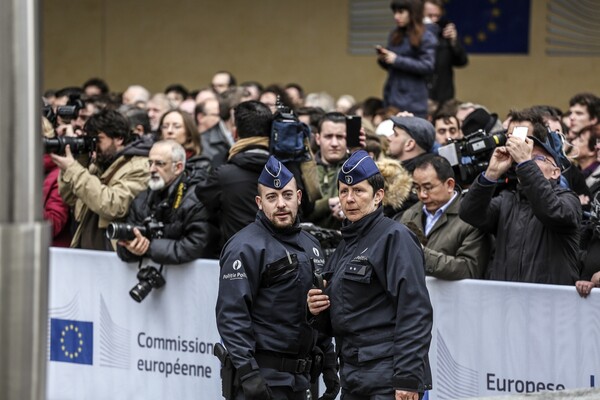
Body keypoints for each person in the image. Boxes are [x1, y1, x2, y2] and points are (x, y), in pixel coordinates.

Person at [308, 150, 433, 400]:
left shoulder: (395, 237)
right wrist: (316, 309)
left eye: (358, 191)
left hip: (388, 374)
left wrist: (408, 378)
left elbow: (414, 311)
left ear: (378, 197)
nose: (350, 199)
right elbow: (341, 315)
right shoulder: (346, 244)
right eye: (344, 191)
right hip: (353, 373)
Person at [216, 156, 338, 400]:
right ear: (260, 203)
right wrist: (249, 374)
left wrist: (329, 364)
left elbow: (318, 311)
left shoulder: (311, 245)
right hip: (264, 380)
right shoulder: (244, 246)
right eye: (272, 197)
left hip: (301, 381)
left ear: (299, 197)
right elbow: (232, 316)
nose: (281, 203)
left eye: (287, 195)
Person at [459, 122, 582, 285]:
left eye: (536, 158)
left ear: (555, 172)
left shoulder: (568, 199)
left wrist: (525, 162)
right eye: (525, 157)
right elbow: (470, 213)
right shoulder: (508, 200)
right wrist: (491, 173)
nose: (526, 160)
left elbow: (552, 212)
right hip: (508, 303)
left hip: (548, 304)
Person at [53, 109, 151, 250]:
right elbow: (69, 197)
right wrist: (80, 157)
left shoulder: (139, 166)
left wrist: (74, 170)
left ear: (119, 138)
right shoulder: (98, 165)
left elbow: (113, 205)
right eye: (90, 139)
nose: (94, 145)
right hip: (88, 255)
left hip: (113, 258)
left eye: (97, 139)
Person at [116, 140, 219, 263]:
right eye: (150, 163)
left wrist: (150, 248)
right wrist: (130, 247)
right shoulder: (142, 199)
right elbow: (125, 246)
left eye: (160, 164)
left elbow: (196, 246)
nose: (152, 170)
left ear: (178, 167)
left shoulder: (197, 198)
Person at [195, 100, 272, 247]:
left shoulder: (223, 175)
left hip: (238, 258)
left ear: (235, 133)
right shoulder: (287, 171)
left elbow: (201, 199)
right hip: (282, 259)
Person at [400, 154, 491, 279]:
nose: (422, 195)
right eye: (417, 188)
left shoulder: (470, 218)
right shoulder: (410, 214)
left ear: (449, 185)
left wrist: (421, 254)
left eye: (428, 188)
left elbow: (468, 269)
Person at [377, 0, 436, 118]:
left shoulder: (426, 36)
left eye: (401, 12)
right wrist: (384, 58)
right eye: (394, 12)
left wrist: (397, 60)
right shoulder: (395, 35)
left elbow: (427, 66)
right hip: (392, 97)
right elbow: (392, 66)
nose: (396, 16)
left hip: (414, 102)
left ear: (412, 13)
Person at [423, 0, 468, 105]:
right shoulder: (412, 33)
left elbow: (462, 61)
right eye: (430, 16)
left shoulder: (445, 31)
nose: (434, 20)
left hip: (444, 96)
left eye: (437, 16)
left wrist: (453, 41)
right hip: (419, 95)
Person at [158, 109, 211, 185]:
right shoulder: (152, 160)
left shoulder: (200, 164)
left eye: (176, 126)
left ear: (189, 133)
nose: (169, 131)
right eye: (165, 126)